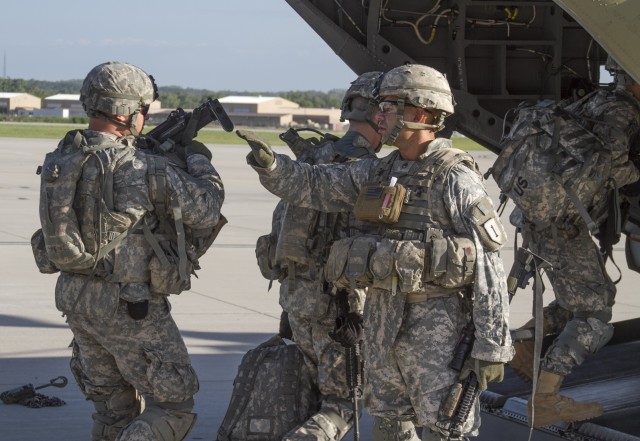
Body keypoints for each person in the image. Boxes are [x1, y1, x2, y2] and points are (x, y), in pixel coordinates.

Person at [238, 63, 513, 441]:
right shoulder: (378, 172)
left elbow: (489, 266)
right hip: (383, 325)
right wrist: (273, 167)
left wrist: (492, 346)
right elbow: (316, 185)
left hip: (438, 331)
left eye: (387, 107)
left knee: (444, 431)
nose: (378, 116)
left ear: (419, 112)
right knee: (388, 426)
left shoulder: (455, 177)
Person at [35, 61, 225, 441]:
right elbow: (206, 208)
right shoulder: (143, 166)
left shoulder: (64, 156)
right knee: (172, 408)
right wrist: (199, 160)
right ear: (127, 112)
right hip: (129, 305)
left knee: (112, 409)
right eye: (143, 110)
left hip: (76, 297)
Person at [507, 56, 640, 428]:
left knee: (581, 299)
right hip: (562, 223)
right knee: (596, 314)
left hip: (543, 216)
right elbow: (612, 166)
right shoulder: (623, 112)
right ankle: (545, 399)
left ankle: (524, 343)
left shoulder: (596, 99)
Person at [259, 71, 384, 441]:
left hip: (298, 305)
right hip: (342, 314)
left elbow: (282, 233)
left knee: (311, 400)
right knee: (341, 406)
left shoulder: (311, 160)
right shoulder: (369, 172)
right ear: (382, 116)